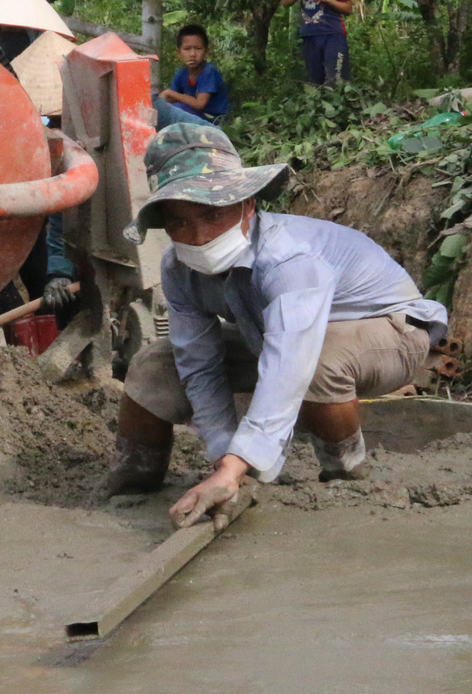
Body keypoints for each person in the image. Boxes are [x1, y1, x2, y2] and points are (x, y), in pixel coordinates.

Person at [105, 124, 448, 524]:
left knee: (321, 360)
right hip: (276, 339)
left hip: (390, 331)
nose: (197, 237)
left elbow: (290, 364)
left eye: (212, 213)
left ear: (247, 205)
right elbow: (198, 363)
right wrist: (223, 457)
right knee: (154, 366)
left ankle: (346, 472)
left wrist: (238, 466)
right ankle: (131, 488)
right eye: (179, 223)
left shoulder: (288, 260)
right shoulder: (179, 268)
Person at [155, 24, 229, 126]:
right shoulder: (181, 74)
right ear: (179, 53)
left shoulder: (208, 71)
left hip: (212, 121)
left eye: (198, 48)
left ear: (206, 50)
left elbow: (199, 104)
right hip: (194, 116)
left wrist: (169, 93)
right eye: (187, 49)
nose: (193, 54)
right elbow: (171, 99)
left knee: (178, 108)